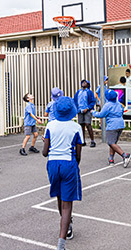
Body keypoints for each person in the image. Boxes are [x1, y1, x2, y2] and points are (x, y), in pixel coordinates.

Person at [43, 96, 84, 249]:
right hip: (68, 162)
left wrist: (45, 142)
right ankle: (62, 241)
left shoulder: (50, 125)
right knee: (68, 205)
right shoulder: (75, 127)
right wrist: (75, 165)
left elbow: (45, 152)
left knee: (59, 197)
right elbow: (78, 152)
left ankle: (66, 226)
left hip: (53, 164)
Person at [98, 89, 130, 167]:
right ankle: (111, 159)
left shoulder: (107, 105)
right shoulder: (119, 104)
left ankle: (125, 155)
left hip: (112, 126)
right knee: (113, 143)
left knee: (110, 142)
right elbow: (122, 111)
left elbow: (101, 115)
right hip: (120, 124)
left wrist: (93, 112)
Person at [73, 79, 98, 147]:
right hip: (80, 111)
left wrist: (87, 108)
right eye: (83, 82)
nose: (83, 83)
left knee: (88, 124)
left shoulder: (89, 92)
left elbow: (92, 102)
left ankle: (92, 141)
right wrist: (76, 108)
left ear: (88, 85)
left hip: (87, 110)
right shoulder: (78, 92)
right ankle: (83, 140)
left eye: (85, 82)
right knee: (81, 125)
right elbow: (75, 100)